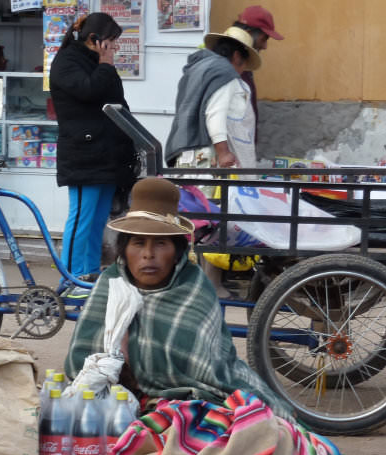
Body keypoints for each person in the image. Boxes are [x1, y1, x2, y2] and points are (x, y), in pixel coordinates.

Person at [64, 177, 296, 422]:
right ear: (124, 249)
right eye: (138, 243)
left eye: (161, 243)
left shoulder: (195, 290)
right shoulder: (109, 285)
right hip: (117, 402)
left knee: (260, 425)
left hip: (190, 402)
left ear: (177, 252)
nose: (148, 255)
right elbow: (78, 363)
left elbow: (210, 371)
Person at [49, 13, 138, 294]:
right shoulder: (67, 62)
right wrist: (106, 64)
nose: (115, 48)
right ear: (94, 40)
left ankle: (87, 274)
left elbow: (117, 103)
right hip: (83, 153)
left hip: (107, 154)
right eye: (112, 42)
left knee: (98, 219)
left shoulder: (98, 64)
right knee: (81, 218)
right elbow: (88, 91)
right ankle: (70, 277)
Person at [165, 26, 261, 170]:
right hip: (206, 157)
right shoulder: (225, 73)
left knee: (191, 192)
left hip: (185, 152)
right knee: (213, 193)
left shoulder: (197, 69)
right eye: (245, 62)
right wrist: (223, 153)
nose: (242, 71)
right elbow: (216, 114)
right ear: (236, 56)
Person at [233, 5, 283, 129]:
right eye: (264, 39)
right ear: (248, 34)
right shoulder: (232, 66)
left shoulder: (243, 64)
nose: (265, 46)